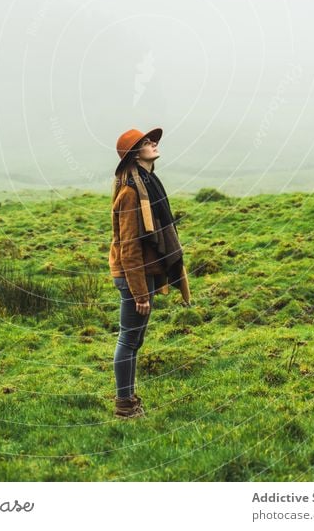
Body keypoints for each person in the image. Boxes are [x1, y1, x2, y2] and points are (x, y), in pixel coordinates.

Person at [109, 127, 191, 419]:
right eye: (146, 142)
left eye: (152, 140)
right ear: (135, 153)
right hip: (135, 276)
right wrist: (140, 292)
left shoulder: (148, 182)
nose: (153, 143)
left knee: (135, 340)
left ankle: (128, 399)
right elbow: (128, 247)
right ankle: (124, 406)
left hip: (146, 272)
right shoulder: (132, 192)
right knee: (129, 340)